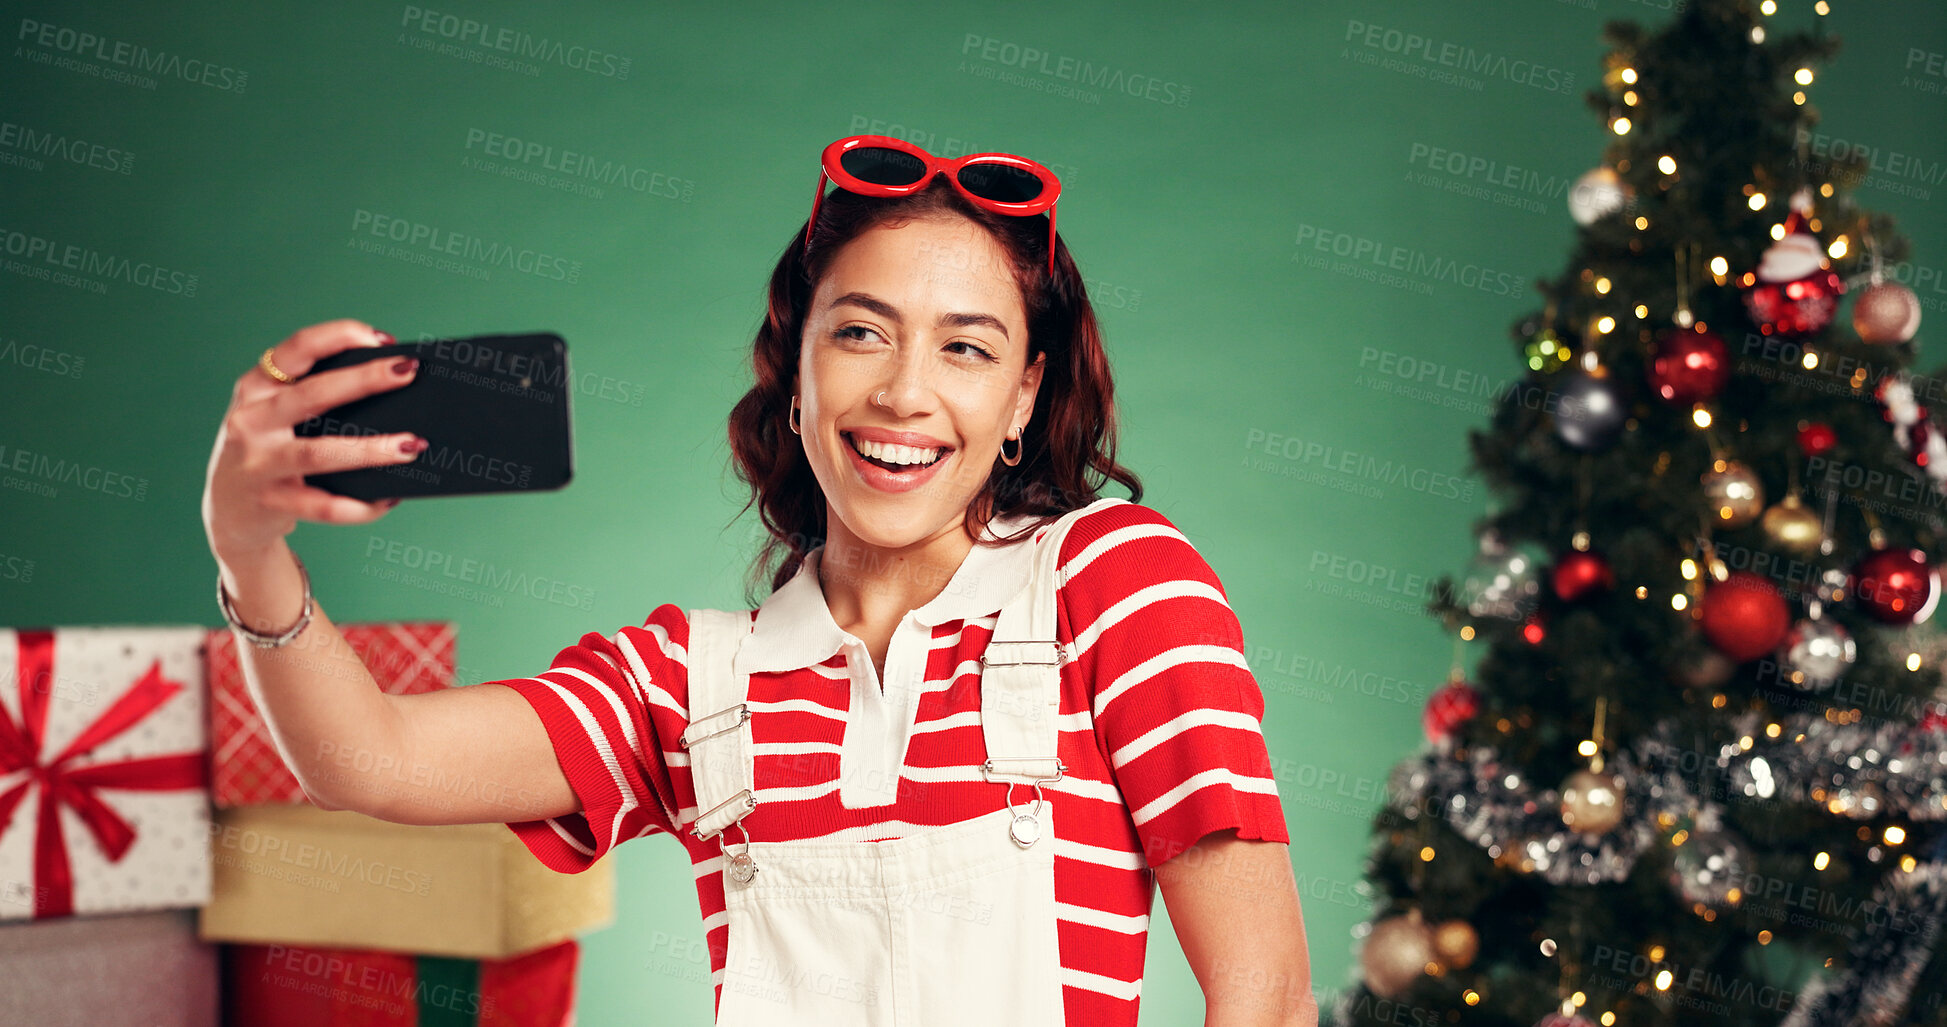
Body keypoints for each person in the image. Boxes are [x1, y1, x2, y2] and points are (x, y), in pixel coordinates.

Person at [202, 135, 1316, 1026]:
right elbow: (370, 763)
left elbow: (1264, 994)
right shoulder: (693, 680)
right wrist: (247, 546)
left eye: (966, 349)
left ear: (1025, 398)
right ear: (797, 372)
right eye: (861, 334)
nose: (904, 394)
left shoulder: (1114, 583)